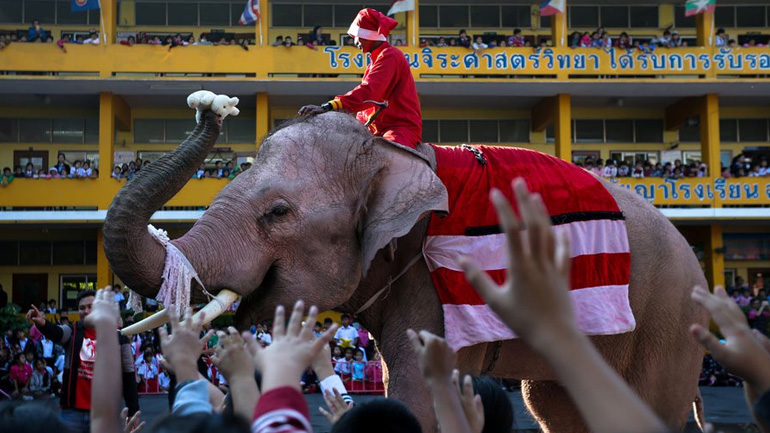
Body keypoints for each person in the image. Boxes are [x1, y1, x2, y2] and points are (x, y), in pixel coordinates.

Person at [298, 8, 423, 149]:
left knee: (386, 158)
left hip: (399, 129)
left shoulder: (390, 55)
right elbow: (365, 109)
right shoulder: (376, 60)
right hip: (377, 131)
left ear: (369, 36)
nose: (355, 41)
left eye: (357, 36)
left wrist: (330, 106)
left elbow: (369, 93)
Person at [26, 289, 139, 433]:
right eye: (81, 308)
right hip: (72, 413)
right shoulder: (72, 332)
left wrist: (133, 412)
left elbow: (129, 376)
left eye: (91, 306)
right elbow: (56, 332)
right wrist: (43, 323)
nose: (86, 311)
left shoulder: (119, 338)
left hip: (105, 414)